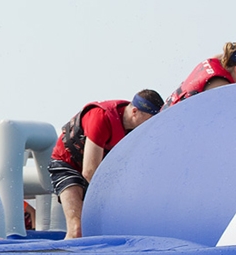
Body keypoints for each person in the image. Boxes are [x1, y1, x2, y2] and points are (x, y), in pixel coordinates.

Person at [49, 90, 163, 240]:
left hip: (98, 173)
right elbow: (89, 171)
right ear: (135, 112)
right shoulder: (101, 118)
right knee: (77, 229)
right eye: (150, 120)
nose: (151, 127)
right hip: (68, 166)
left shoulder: (135, 129)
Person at [166, 40, 236, 107]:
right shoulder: (220, 86)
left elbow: (229, 54)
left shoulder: (214, 60)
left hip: (166, 110)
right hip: (172, 124)